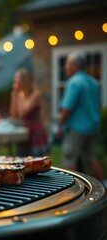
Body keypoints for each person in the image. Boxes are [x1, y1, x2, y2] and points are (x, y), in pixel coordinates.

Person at [57, 52, 106, 184]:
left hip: (76, 129)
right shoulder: (94, 82)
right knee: (90, 157)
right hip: (93, 127)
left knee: (70, 159)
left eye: (68, 63)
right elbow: (99, 105)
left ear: (76, 65)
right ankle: (105, 185)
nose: (65, 66)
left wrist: (60, 126)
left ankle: (71, 191)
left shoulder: (74, 82)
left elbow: (67, 108)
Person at [10, 69, 49, 157]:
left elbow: (23, 113)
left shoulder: (35, 95)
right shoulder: (19, 95)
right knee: (22, 159)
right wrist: (14, 97)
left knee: (36, 160)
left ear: (24, 80)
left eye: (17, 78)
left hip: (35, 132)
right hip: (24, 133)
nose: (15, 81)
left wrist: (17, 96)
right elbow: (14, 115)